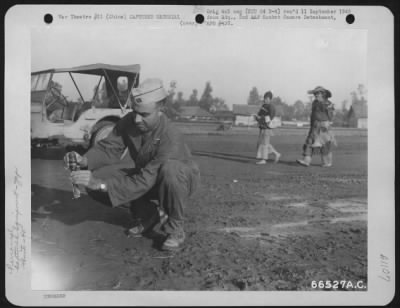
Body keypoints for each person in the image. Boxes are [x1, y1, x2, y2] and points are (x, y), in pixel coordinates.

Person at [65, 78, 200, 251]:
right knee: (98, 180)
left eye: (144, 115)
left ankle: (175, 227)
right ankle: (149, 214)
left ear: (161, 109)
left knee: (171, 171)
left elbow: (144, 181)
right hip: (147, 175)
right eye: (135, 111)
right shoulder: (130, 121)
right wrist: (84, 160)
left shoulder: (170, 137)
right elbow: (109, 148)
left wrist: (100, 184)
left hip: (176, 182)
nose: (136, 119)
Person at [297, 86, 336, 167]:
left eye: (318, 93)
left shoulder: (328, 104)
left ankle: (326, 162)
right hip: (315, 126)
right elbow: (313, 115)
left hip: (324, 127)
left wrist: (329, 109)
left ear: (323, 94)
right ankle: (306, 161)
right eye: (315, 93)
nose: (316, 95)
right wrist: (311, 125)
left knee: (325, 145)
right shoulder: (315, 103)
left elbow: (331, 117)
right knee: (309, 142)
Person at [254, 91, 281, 164]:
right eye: (264, 98)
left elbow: (270, 117)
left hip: (267, 127)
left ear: (270, 99)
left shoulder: (271, 107)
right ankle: (276, 154)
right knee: (264, 143)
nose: (265, 100)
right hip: (262, 127)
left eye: (267, 98)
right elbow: (259, 114)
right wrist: (257, 117)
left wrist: (261, 118)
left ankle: (264, 159)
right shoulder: (263, 106)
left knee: (265, 144)